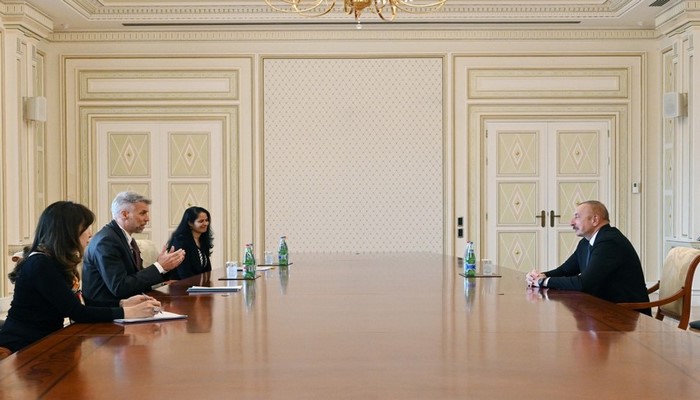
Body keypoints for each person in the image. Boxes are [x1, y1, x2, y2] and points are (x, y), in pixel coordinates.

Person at [0, 201, 162, 354]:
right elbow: (77, 312)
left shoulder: (51, 260)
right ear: (68, 232)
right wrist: (128, 312)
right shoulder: (41, 264)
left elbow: (78, 303)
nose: (90, 233)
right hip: (24, 346)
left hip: (46, 341)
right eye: (85, 228)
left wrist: (122, 303)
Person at [526, 200, 651, 316]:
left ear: (595, 220)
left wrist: (543, 282)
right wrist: (539, 276)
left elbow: (584, 283)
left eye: (577, 217)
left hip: (625, 314)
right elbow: (565, 270)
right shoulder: (586, 242)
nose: (571, 222)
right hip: (602, 308)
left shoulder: (609, 242)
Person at [82, 192, 185, 306]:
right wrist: (159, 266)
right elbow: (120, 287)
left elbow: (135, 279)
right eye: (142, 213)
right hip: (107, 311)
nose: (147, 219)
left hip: (127, 306)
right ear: (124, 214)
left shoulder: (121, 237)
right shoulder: (107, 241)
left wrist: (164, 268)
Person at [167, 206, 214, 279]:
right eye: (201, 221)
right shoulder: (181, 241)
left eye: (206, 220)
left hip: (198, 283)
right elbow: (184, 273)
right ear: (190, 223)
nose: (205, 223)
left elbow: (207, 269)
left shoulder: (203, 240)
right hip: (182, 284)